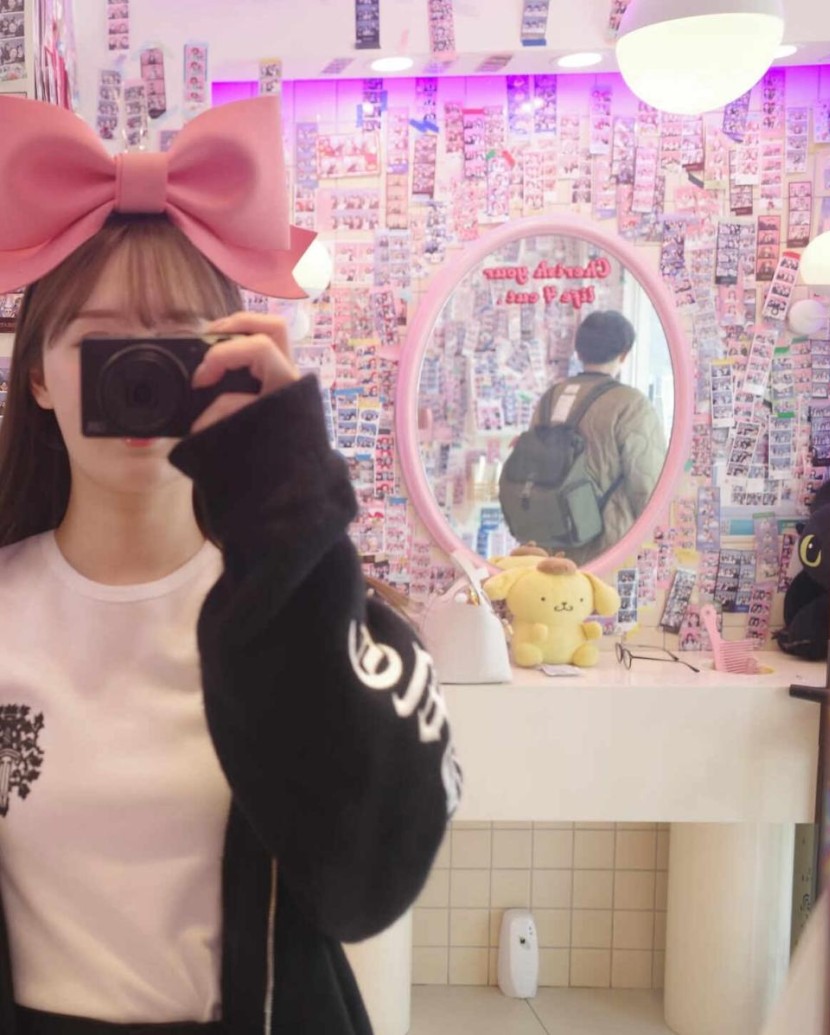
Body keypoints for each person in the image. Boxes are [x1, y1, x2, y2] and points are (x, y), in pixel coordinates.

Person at [0, 95, 460, 1034]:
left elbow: (367, 883)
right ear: (37, 374)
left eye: (178, 348)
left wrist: (290, 502)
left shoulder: (298, 604)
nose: (139, 380)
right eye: (102, 346)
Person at [529, 309, 667, 566]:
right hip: (608, 547)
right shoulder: (631, 404)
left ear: (579, 351)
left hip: (551, 544)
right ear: (624, 353)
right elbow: (648, 483)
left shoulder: (551, 398)